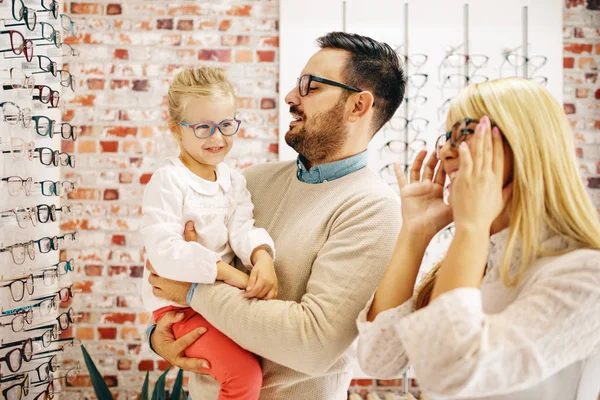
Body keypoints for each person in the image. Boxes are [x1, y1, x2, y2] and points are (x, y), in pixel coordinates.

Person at [145, 31, 406, 399]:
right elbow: (166, 271)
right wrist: (159, 336)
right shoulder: (250, 181)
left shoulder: (373, 210)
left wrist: (193, 289)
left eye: (310, 87)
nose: (290, 97)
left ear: (358, 106)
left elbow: (311, 343)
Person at [357, 77, 600, 400]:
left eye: (465, 132)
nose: (444, 150)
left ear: (524, 146)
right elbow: (379, 358)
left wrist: (472, 227)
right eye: (446, 137)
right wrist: (414, 234)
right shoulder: (479, 262)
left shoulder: (586, 275)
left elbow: (447, 372)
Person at [141, 67, 277, 400]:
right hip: (178, 305)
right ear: (176, 130)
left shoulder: (234, 181)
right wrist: (231, 275)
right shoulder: (169, 180)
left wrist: (263, 257)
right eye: (203, 127)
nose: (217, 138)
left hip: (215, 298)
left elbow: (242, 228)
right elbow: (164, 251)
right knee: (244, 378)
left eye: (226, 125)